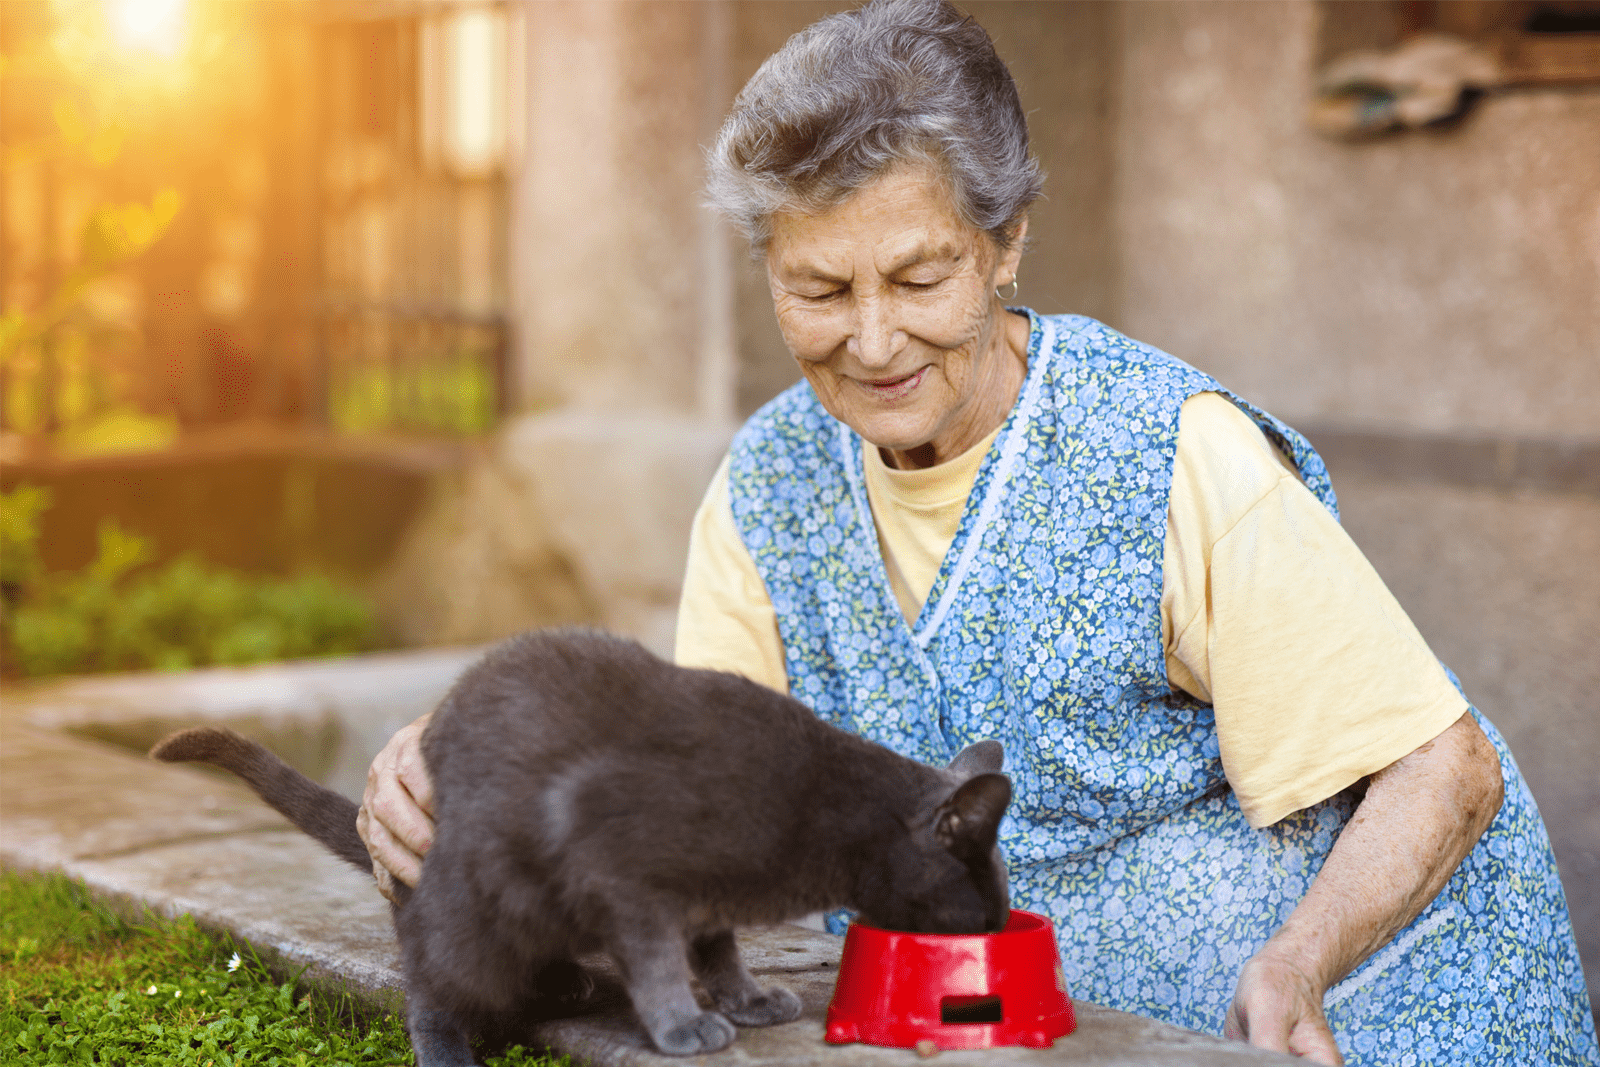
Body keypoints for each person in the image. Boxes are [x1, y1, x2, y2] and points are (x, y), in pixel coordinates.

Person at [357, 1, 1599, 1063]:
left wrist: (1297, 965)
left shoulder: (1171, 452)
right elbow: (674, 779)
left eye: (917, 277)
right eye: (819, 289)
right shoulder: (764, 488)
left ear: (1007, 244)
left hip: (1366, 1007)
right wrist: (457, 765)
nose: (874, 340)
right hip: (1022, 1023)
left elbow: (1445, 768)